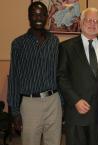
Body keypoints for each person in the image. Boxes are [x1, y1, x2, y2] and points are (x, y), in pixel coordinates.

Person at [57, 7, 98, 145]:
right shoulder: (66, 47)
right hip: (77, 112)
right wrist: (75, 100)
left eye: (97, 21)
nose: (92, 24)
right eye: (89, 20)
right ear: (81, 23)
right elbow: (61, 76)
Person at [7, 2, 62, 145]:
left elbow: (59, 74)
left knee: (54, 142)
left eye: (42, 14)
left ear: (47, 17)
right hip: (30, 104)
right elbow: (14, 78)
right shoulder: (18, 43)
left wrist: (62, 102)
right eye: (34, 14)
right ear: (29, 17)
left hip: (53, 101)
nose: (38, 17)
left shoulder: (54, 41)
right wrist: (14, 111)